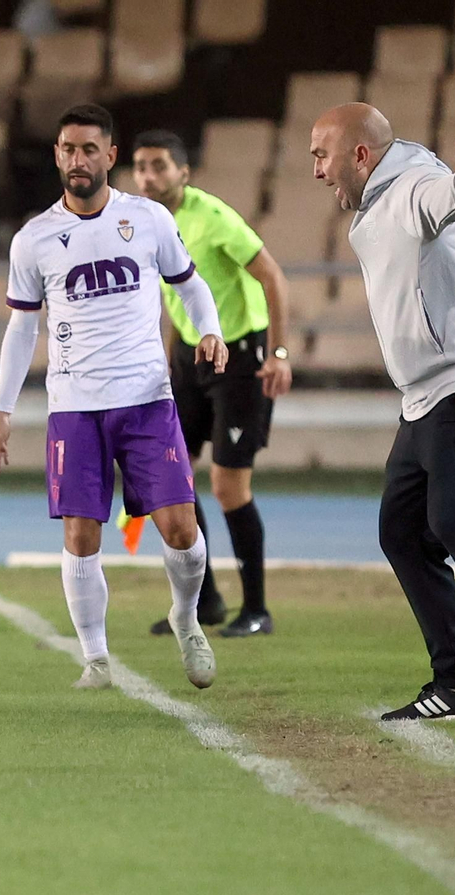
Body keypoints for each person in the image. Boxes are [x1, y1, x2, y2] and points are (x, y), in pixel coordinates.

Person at [310, 103, 455, 722]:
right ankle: (453, 683)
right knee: (403, 532)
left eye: (322, 155)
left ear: (360, 155)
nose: (315, 170)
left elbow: (436, 199)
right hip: (427, 402)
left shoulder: (414, 179)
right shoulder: (368, 205)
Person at [0, 104, 228, 692]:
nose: (77, 160)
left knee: (181, 530)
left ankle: (187, 620)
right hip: (73, 408)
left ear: (110, 156)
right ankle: (96, 657)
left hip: (146, 399)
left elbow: (191, 288)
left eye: (89, 149)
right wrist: (2, 410)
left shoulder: (146, 219)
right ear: (57, 157)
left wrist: (210, 330)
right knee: (81, 534)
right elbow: (21, 329)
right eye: (67, 149)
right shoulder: (34, 239)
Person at [131, 130, 293, 639]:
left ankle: (257, 609)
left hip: (241, 359)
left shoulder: (213, 217)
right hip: (189, 359)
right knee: (170, 474)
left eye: (159, 165)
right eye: (140, 167)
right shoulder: (145, 224)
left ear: (183, 172)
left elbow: (272, 277)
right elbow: (169, 299)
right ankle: (205, 601)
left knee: (227, 487)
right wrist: (163, 358)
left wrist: (279, 353)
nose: (148, 176)